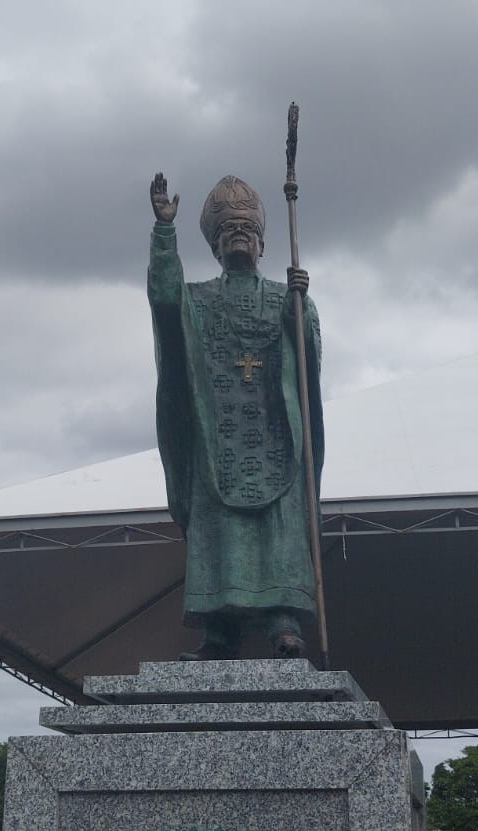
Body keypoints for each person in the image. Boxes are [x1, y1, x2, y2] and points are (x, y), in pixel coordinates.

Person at [147, 172, 324, 661]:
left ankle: (284, 623)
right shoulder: (199, 300)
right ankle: (219, 632)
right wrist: (165, 234)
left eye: (247, 231)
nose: (238, 238)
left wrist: (299, 310)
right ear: (215, 246)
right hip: (216, 437)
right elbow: (166, 304)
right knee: (218, 531)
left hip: (274, 436)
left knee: (278, 528)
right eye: (229, 232)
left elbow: (308, 360)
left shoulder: (284, 297)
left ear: (264, 244)